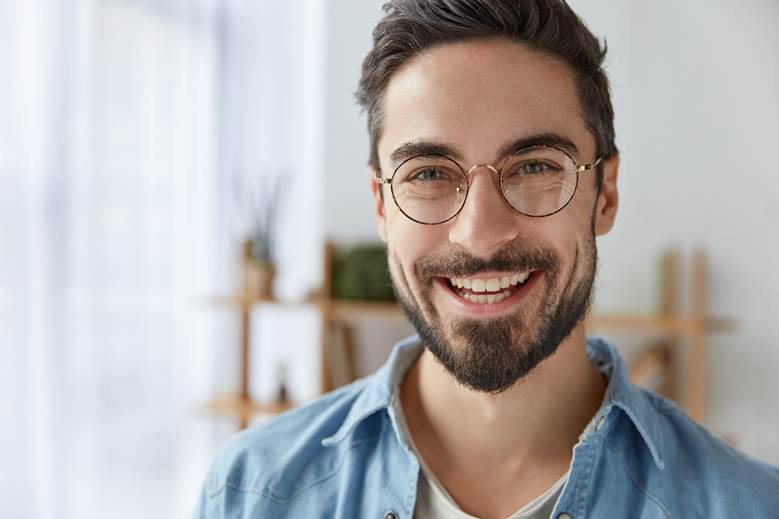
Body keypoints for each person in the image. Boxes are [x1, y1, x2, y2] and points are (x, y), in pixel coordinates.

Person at [195, 1, 779, 517]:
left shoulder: (750, 506)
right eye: (428, 174)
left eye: (534, 167)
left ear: (605, 193)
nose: (479, 234)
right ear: (381, 206)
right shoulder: (251, 494)